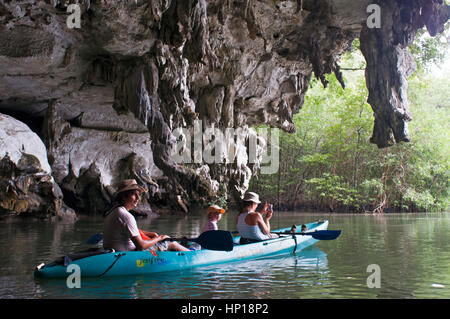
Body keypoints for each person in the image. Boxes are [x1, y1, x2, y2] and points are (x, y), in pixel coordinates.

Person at [103, 179, 189, 252]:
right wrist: (160, 237)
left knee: (158, 241)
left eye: (138, 194)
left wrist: (151, 234)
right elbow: (141, 246)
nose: (138, 198)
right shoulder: (126, 216)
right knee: (172, 243)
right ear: (123, 197)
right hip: (130, 255)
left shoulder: (112, 212)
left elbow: (129, 230)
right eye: (134, 194)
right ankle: (192, 254)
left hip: (115, 253)